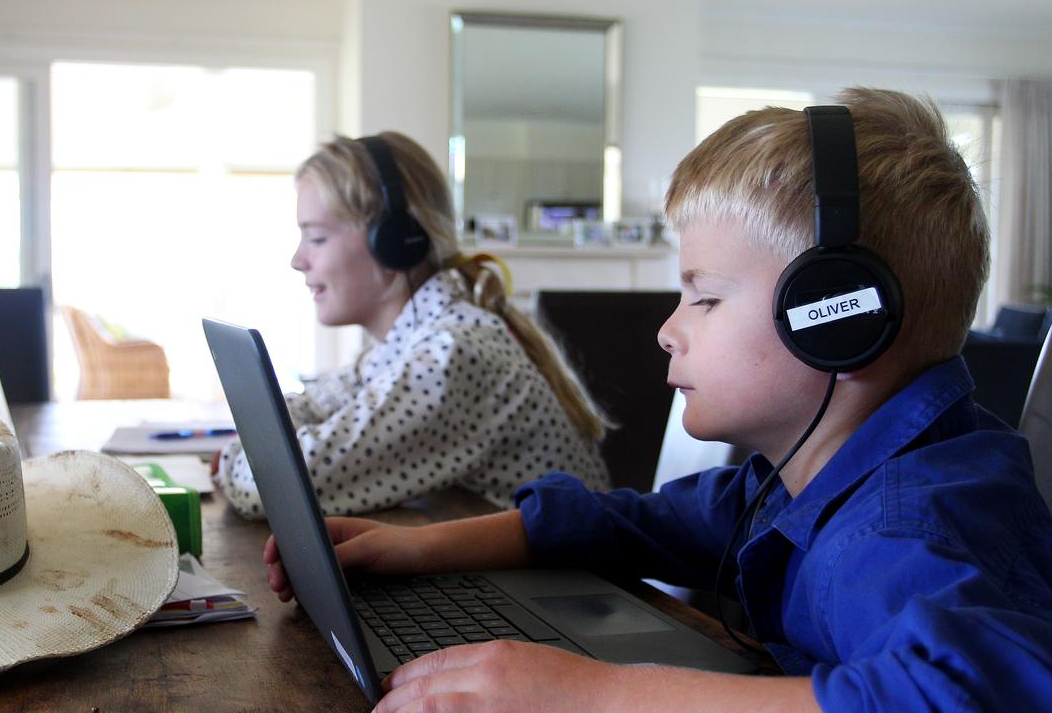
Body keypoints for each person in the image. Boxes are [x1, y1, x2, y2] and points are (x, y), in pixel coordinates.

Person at [263, 89, 1052, 710]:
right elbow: (649, 521)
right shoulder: (807, 475)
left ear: (839, 316)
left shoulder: (912, 522)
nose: (668, 331)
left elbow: (966, 698)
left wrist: (593, 696)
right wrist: (418, 548)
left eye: (704, 299)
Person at [214, 132, 609, 518]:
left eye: (316, 238)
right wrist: (264, 440)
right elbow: (310, 406)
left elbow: (272, 487)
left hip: (564, 582)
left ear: (393, 240)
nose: (298, 260)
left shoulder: (452, 356)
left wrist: (245, 452)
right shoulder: (404, 344)